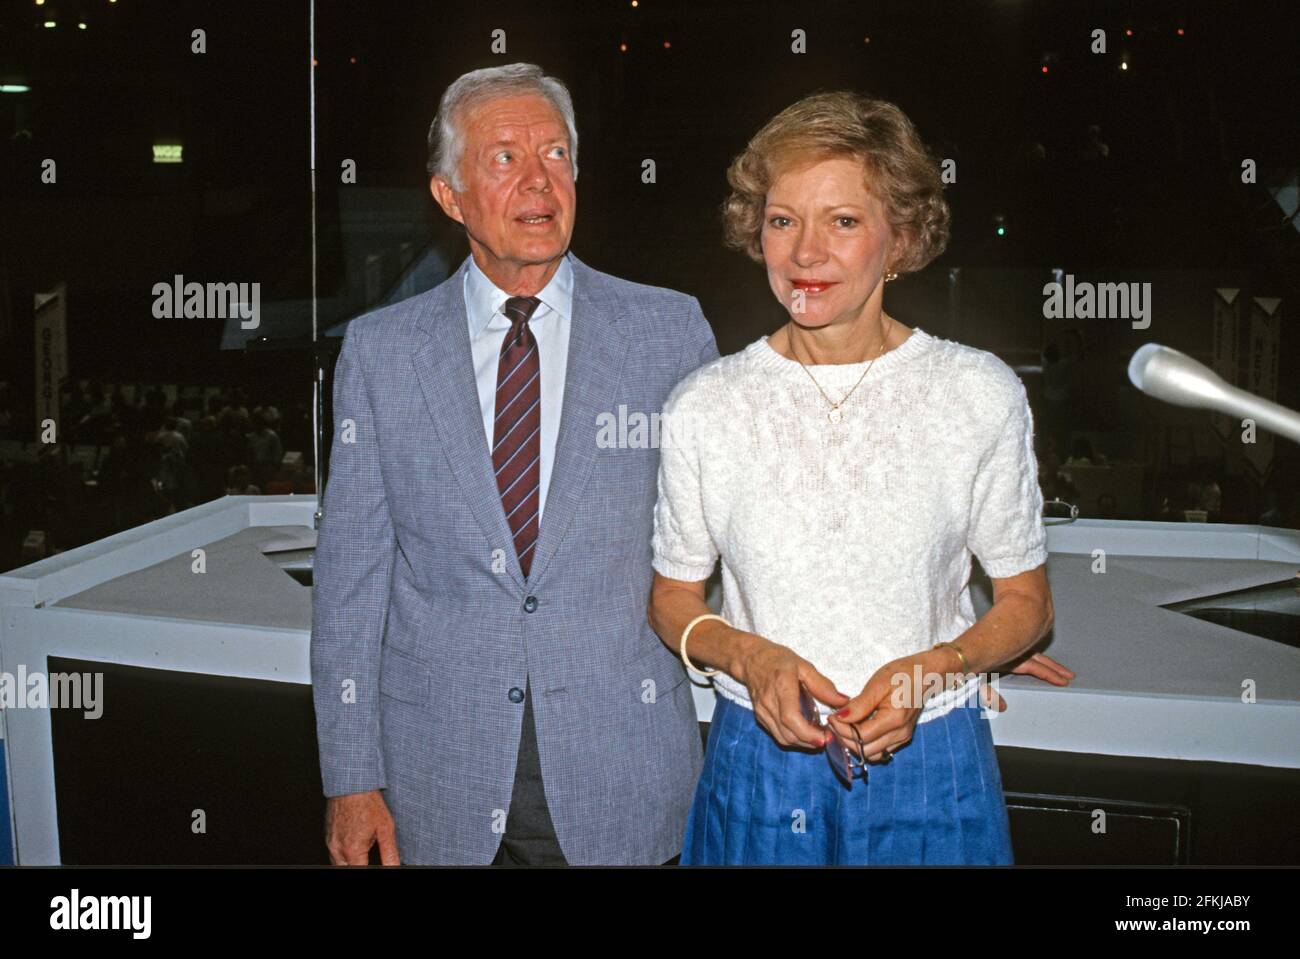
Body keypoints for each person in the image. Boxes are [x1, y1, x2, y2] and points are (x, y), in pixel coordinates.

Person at [648, 91, 1073, 865]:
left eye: (842, 220)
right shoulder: (705, 405)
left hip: (932, 766)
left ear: (902, 237)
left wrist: (937, 667)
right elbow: (673, 596)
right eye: (783, 220)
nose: (805, 253)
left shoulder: (977, 392)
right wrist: (748, 656)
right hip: (757, 769)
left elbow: (1027, 603)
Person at [311, 63, 718, 866]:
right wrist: (351, 780)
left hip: (626, 777)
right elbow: (352, 582)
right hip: (441, 787)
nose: (540, 180)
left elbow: (740, 532)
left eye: (557, 154)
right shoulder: (382, 353)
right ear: (449, 196)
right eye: (504, 158)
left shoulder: (668, 333)